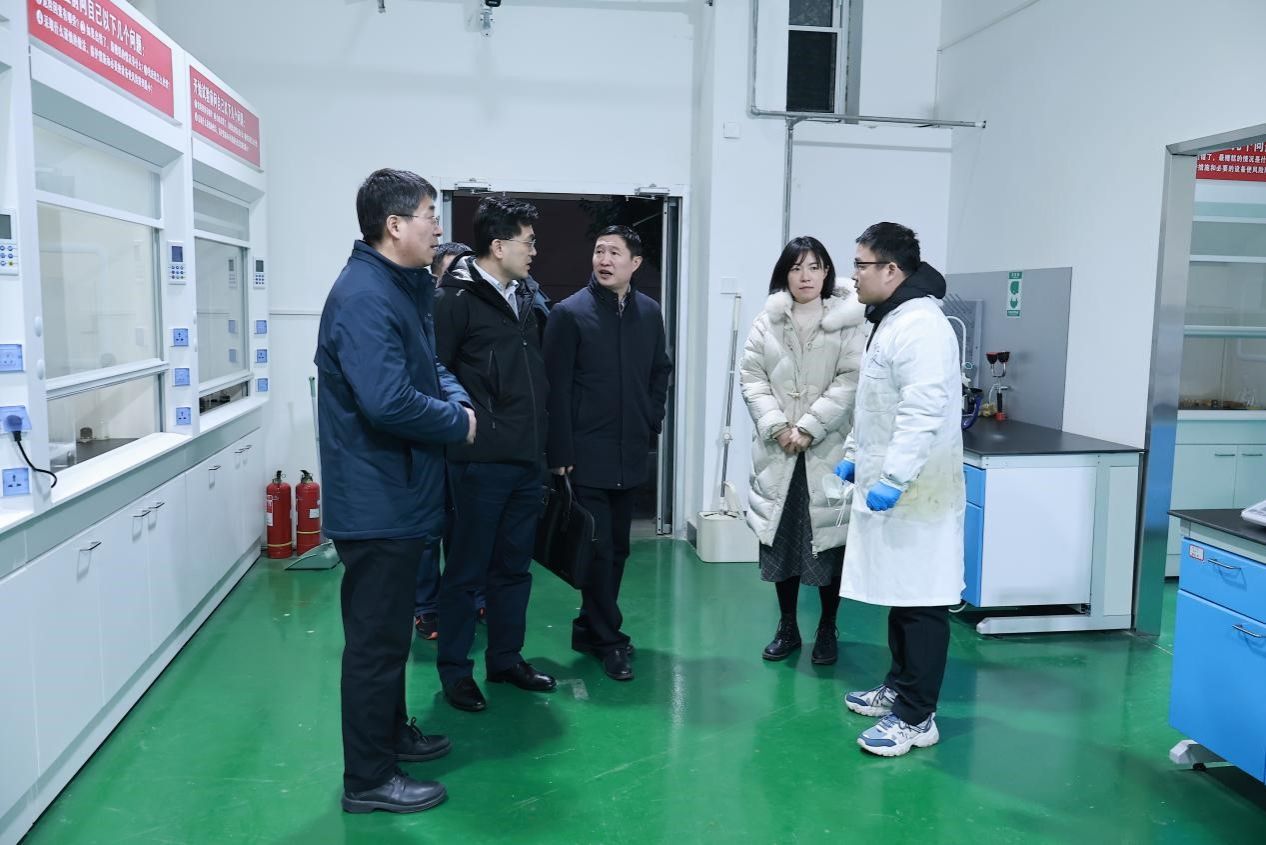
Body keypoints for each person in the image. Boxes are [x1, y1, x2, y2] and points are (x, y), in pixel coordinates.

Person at [314, 168, 476, 813]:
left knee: (390, 639)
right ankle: (368, 779)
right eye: (430, 214)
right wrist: (456, 423)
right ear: (394, 225)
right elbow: (388, 401)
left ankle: (390, 737)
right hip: (376, 500)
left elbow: (428, 368)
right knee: (375, 646)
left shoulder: (399, 286)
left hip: (401, 493)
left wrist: (458, 403)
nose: (438, 226)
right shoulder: (364, 296)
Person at [833, 222, 965, 757]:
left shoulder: (922, 326)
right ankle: (898, 686)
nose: (854, 276)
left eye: (861, 265)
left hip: (919, 491)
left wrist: (892, 478)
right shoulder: (892, 319)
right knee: (900, 596)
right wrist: (852, 454)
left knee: (921, 603)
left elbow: (921, 411)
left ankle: (917, 716)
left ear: (891, 270)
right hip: (898, 487)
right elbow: (874, 404)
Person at [433, 195, 555, 711]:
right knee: (466, 573)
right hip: (478, 461)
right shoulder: (454, 298)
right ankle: (455, 672)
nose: (534, 251)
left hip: (526, 458)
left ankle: (505, 658)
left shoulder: (526, 295)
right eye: (528, 242)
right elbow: (434, 368)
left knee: (514, 570)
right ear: (498, 246)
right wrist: (468, 420)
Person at [543, 225, 673, 682]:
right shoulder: (569, 314)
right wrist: (559, 450)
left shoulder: (649, 312)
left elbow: (660, 370)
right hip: (586, 453)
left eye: (615, 253)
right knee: (597, 550)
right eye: (599, 251)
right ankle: (609, 639)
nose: (604, 259)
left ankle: (588, 627)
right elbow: (554, 389)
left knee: (618, 549)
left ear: (635, 263)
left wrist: (651, 417)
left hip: (630, 449)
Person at [740, 236, 866, 665]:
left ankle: (828, 626)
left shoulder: (848, 321)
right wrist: (778, 427)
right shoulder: (768, 320)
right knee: (782, 542)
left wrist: (810, 427)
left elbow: (851, 379)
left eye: (814, 267)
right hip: (779, 453)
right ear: (785, 274)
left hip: (826, 450)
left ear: (827, 271)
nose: (805, 276)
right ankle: (788, 626)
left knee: (828, 544)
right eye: (796, 268)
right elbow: (752, 377)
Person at [413, 241, 483, 641]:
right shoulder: (421, 313)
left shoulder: (481, 310)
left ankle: (471, 597)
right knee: (430, 528)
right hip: (431, 433)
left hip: (468, 432)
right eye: (451, 272)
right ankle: (426, 606)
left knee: (468, 525)